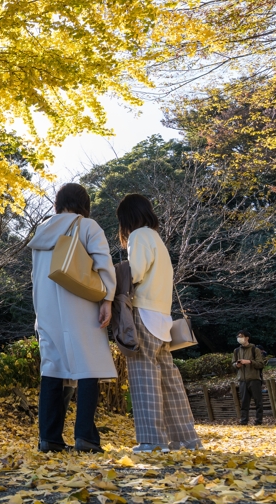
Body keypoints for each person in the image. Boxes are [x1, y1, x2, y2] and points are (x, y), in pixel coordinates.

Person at [29, 183, 116, 454]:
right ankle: (86, 437)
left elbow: (34, 277)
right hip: (80, 304)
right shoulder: (87, 226)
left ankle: (50, 438)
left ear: (58, 203)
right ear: (84, 203)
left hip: (47, 307)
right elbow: (103, 264)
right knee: (89, 365)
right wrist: (108, 299)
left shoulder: (41, 232)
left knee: (52, 368)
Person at [118, 194, 202, 453]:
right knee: (169, 382)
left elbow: (135, 273)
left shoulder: (139, 236)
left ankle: (152, 441)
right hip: (162, 320)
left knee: (144, 379)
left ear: (127, 218)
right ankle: (186, 440)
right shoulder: (157, 239)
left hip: (143, 315)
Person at [234, 330, 267, 425]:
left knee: (258, 401)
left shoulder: (255, 349)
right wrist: (237, 365)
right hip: (242, 380)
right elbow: (233, 364)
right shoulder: (236, 351)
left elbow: (260, 364)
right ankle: (244, 421)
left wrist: (249, 362)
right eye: (238, 336)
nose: (239, 338)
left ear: (247, 338)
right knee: (244, 402)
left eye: (241, 336)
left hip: (254, 379)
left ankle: (258, 421)